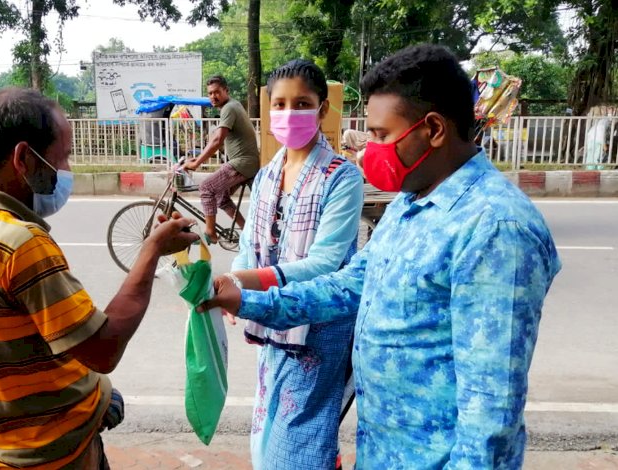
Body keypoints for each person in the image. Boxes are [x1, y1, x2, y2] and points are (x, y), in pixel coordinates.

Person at [199, 44, 562, 469]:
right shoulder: (412, 202)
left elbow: (491, 410)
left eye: (381, 134)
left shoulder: (495, 228)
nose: (370, 149)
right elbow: (348, 286)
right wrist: (246, 299)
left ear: (434, 129)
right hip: (384, 450)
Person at [0, 88, 198, 469]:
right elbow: (103, 349)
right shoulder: (20, 244)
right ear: (23, 159)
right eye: (62, 157)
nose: (66, 171)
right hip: (60, 456)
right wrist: (150, 252)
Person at [225, 59, 363, 469]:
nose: (289, 113)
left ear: (322, 110)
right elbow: (251, 243)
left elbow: (324, 263)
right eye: (280, 103)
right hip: (272, 324)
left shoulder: (342, 176)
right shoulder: (268, 174)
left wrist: (241, 282)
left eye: (301, 103)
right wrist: (240, 280)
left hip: (320, 332)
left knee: (300, 441)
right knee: (271, 428)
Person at [183, 75, 260, 244]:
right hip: (247, 163)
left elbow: (218, 141)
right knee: (222, 198)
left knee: (206, 188)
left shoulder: (229, 108)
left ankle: (210, 232)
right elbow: (215, 138)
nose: (213, 96)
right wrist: (198, 157)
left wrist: (196, 164)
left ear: (226, 91)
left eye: (217, 92)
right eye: (210, 93)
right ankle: (247, 234)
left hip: (242, 163)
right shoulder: (233, 106)